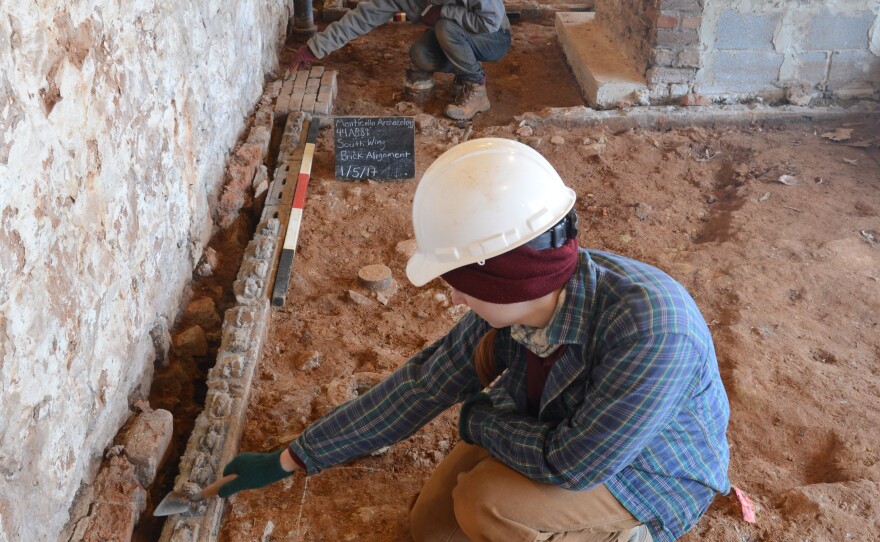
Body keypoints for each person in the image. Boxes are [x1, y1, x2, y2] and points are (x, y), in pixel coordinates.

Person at [218, 138, 731, 542]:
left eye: (462, 287)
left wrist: (478, 421)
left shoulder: (653, 331)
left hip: (647, 473)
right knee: (435, 528)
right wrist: (294, 458)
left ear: (504, 281)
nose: (457, 301)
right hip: (547, 427)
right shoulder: (516, 308)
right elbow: (423, 385)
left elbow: (572, 463)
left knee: (482, 501)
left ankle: (630, 535)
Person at [288, 0, 511, 120]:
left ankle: (477, 88)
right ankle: (467, 66)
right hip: (457, 34)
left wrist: (445, 11)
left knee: (445, 27)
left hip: (493, 37)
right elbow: (362, 17)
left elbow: (489, 22)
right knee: (421, 54)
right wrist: (313, 49)